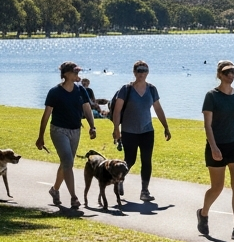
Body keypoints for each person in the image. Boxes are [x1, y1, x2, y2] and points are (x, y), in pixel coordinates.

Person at [197, 60, 234, 241]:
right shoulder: (211, 96)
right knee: (217, 187)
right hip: (217, 145)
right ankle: (203, 213)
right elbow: (208, 125)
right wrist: (213, 147)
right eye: (227, 72)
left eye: (233, 72)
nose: (231, 75)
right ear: (219, 74)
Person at [36, 61, 96, 209]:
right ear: (66, 74)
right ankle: (74, 197)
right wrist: (41, 136)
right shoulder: (54, 92)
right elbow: (46, 115)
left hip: (75, 130)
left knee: (66, 163)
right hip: (59, 130)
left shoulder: (81, 90)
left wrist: (92, 126)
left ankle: (54, 190)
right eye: (75, 72)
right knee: (68, 162)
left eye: (78, 72)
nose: (78, 75)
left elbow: (87, 109)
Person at [111, 60, 172, 203]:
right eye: (139, 70)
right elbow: (117, 110)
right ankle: (119, 180)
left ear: (148, 72)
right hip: (129, 131)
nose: (142, 73)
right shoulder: (126, 89)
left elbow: (158, 108)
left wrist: (166, 127)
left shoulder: (152, 89)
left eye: (144, 70)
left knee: (146, 161)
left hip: (147, 131)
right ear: (134, 72)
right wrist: (116, 129)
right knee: (130, 160)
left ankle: (144, 191)